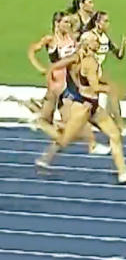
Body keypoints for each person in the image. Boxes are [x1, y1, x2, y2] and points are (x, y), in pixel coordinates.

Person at [36, 32, 126, 184]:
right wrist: (111, 89)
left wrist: (51, 74)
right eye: (94, 40)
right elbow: (95, 86)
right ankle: (45, 159)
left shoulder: (80, 58)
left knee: (114, 135)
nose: (98, 41)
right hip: (83, 107)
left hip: (92, 106)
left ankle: (123, 172)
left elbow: (56, 65)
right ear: (87, 43)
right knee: (65, 139)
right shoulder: (89, 62)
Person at [26, 12, 109, 155]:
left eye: (68, 23)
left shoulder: (71, 37)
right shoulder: (51, 40)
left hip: (70, 84)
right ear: (57, 24)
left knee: (71, 120)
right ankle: (89, 143)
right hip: (57, 85)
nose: (68, 25)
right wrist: (41, 68)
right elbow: (31, 51)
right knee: (64, 120)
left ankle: (90, 144)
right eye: (65, 22)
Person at [82, 10, 126, 129]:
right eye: (105, 21)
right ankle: (118, 124)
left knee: (111, 91)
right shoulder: (89, 36)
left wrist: (123, 44)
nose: (108, 24)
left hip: (97, 71)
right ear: (98, 23)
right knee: (110, 90)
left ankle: (114, 122)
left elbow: (118, 55)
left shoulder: (105, 38)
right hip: (88, 72)